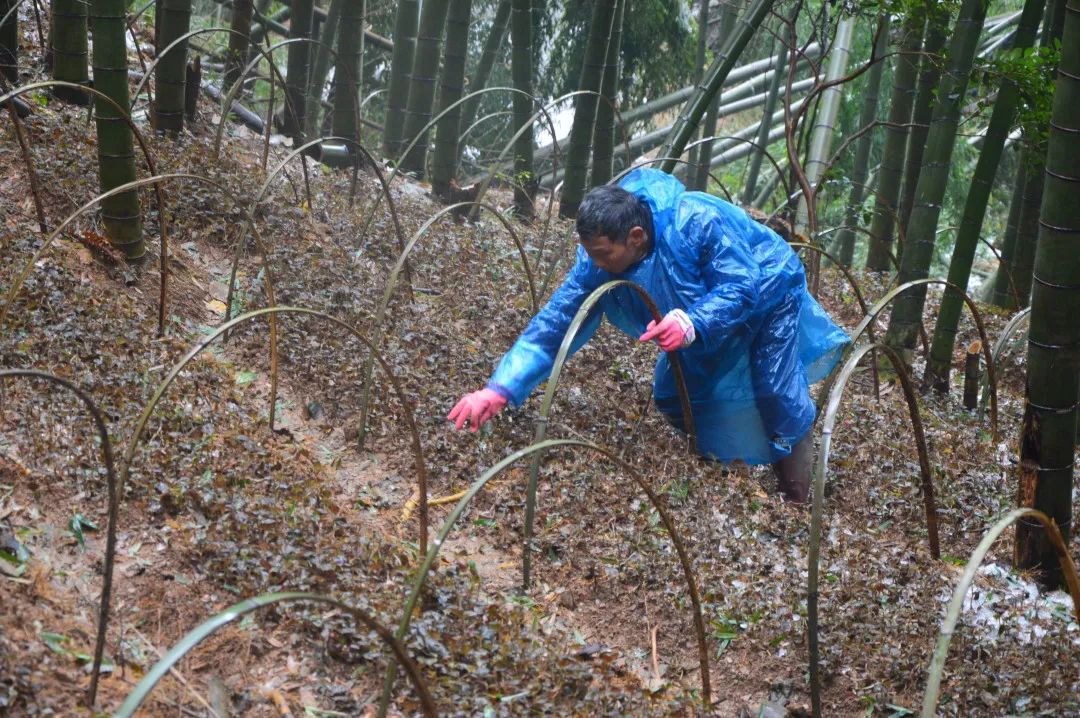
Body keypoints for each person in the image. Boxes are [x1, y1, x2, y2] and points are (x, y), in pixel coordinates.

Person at [447, 167, 849, 502]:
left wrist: (693, 322)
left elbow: (742, 286)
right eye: (590, 253)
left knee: (775, 389)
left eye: (603, 254)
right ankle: (724, 469)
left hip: (769, 289)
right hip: (697, 316)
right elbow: (556, 323)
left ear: (635, 237)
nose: (595, 263)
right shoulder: (596, 262)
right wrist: (500, 389)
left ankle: (799, 497)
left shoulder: (697, 221)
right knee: (674, 395)